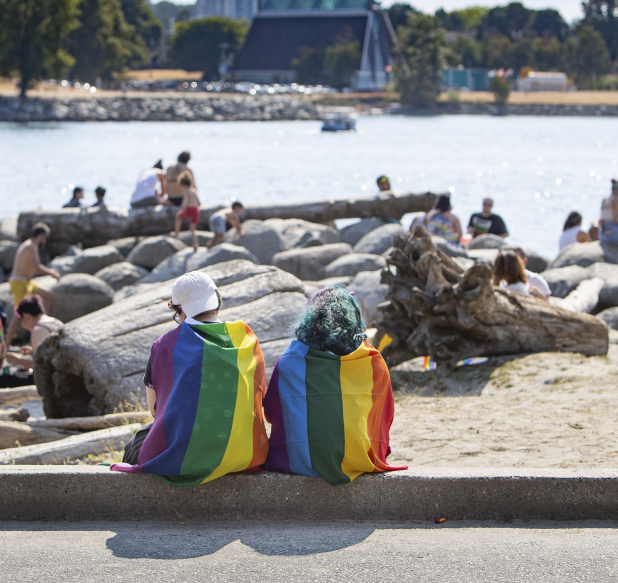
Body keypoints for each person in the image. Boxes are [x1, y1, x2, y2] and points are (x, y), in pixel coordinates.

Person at [112, 271, 269, 486]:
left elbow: (156, 411)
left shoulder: (165, 347)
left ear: (179, 310)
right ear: (217, 300)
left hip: (183, 455)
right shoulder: (246, 339)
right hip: (245, 454)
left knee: (135, 444)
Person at [263, 286, 407, 484]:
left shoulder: (292, 358)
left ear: (311, 319)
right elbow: (384, 414)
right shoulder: (372, 359)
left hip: (301, 460)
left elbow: (272, 412)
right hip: (361, 457)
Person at [9, 224, 60, 314]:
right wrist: (52, 273)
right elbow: (36, 268)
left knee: (48, 295)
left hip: (28, 282)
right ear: (40, 236)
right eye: (45, 238)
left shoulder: (31, 245)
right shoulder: (30, 246)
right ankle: (9, 329)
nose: (45, 241)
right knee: (19, 314)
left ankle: (44, 322)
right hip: (19, 283)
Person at [3, 295, 62, 371]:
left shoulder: (38, 330)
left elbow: (39, 366)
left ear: (26, 316)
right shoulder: (56, 322)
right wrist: (33, 352)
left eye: (20, 320)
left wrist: (18, 360)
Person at [172, 172, 201, 249]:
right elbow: (198, 202)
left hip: (189, 209)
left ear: (183, 184)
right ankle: (195, 244)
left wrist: (183, 208)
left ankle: (176, 233)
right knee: (193, 229)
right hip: (195, 210)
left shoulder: (186, 191)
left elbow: (185, 200)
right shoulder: (194, 190)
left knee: (178, 216)